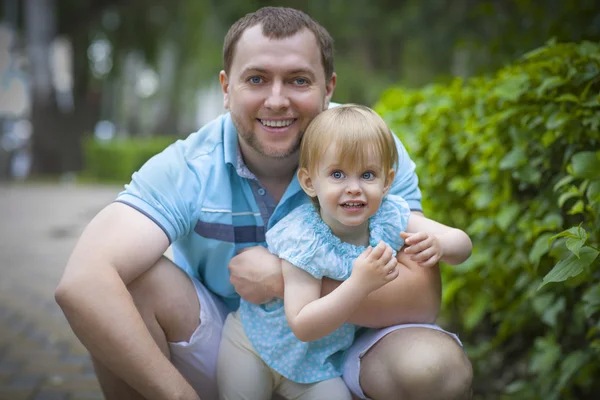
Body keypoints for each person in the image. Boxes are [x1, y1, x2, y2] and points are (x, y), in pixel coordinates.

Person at [55, 6, 473, 400]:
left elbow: (422, 299)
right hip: (230, 343)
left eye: (298, 80)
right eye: (256, 79)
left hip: (348, 345)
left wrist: (283, 279)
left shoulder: (364, 148)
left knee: (435, 367)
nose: (276, 100)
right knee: (127, 285)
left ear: (328, 87)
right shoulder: (188, 166)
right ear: (226, 88)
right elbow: (82, 283)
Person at [217, 104, 473, 400]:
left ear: (387, 182)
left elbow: (462, 244)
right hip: (255, 346)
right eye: (337, 174)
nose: (354, 188)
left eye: (367, 175)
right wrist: (359, 284)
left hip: (319, 364)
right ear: (310, 182)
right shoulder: (304, 237)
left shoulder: (389, 217)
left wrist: (442, 244)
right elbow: (302, 323)